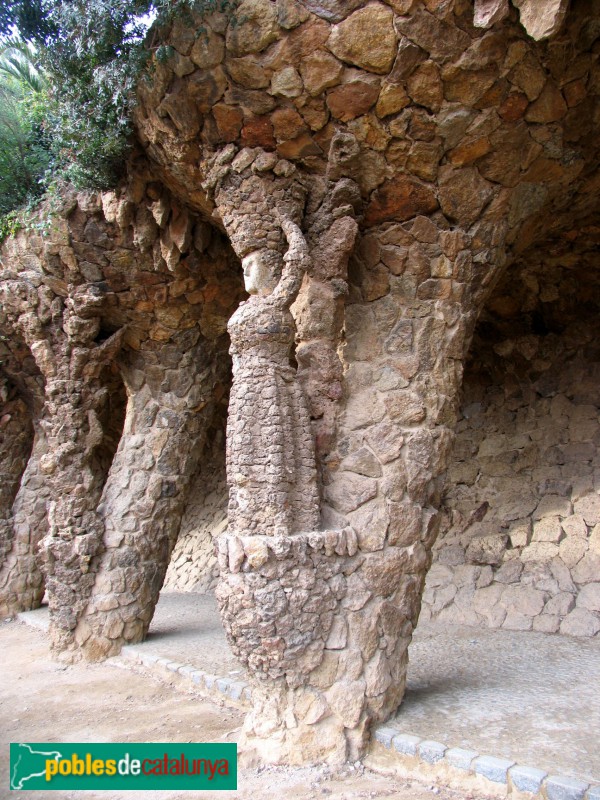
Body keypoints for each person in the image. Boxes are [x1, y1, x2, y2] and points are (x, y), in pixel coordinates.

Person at [226, 216, 320, 537]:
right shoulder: (243, 309)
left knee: (276, 449)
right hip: (244, 389)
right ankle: (250, 517)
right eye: (243, 267)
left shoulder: (277, 299)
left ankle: (284, 518)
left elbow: (298, 260)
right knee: (246, 451)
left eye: (251, 266)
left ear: (269, 268)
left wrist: (285, 223)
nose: (245, 273)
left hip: (273, 384)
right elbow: (235, 352)